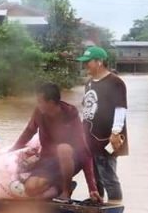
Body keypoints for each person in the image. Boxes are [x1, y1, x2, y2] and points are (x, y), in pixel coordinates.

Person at [11, 83, 101, 202]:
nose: (38, 105)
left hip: (71, 159)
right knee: (31, 189)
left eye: (40, 101)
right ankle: (60, 186)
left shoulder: (70, 113)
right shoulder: (39, 112)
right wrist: (13, 150)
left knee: (63, 148)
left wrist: (92, 188)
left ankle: (66, 191)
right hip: (49, 159)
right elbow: (29, 131)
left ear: (51, 102)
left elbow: (84, 150)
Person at [76, 46, 128, 203]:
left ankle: (115, 206)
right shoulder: (89, 83)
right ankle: (98, 201)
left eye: (88, 62)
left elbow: (120, 108)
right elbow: (87, 108)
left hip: (106, 137)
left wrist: (115, 132)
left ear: (99, 62)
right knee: (94, 173)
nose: (85, 65)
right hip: (89, 136)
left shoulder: (115, 82)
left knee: (108, 175)